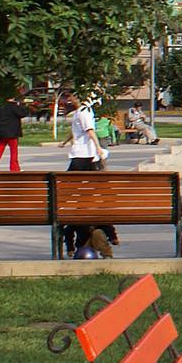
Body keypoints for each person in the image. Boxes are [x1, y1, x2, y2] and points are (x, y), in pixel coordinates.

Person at [60, 91, 118, 257]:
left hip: (84, 155)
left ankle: (72, 243)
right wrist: (65, 142)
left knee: (68, 188)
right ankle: (110, 237)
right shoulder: (79, 112)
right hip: (81, 154)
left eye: (71, 96)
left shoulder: (84, 111)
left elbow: (90, 131)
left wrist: (98, 148)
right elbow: (77, 132)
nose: (69, 99)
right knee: (86, 188)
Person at [0, 89, 30, 173]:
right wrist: (24, 105)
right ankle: (14, 168)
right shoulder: (13, 107)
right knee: (13, 150)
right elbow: (23, 113)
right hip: (12, 133)